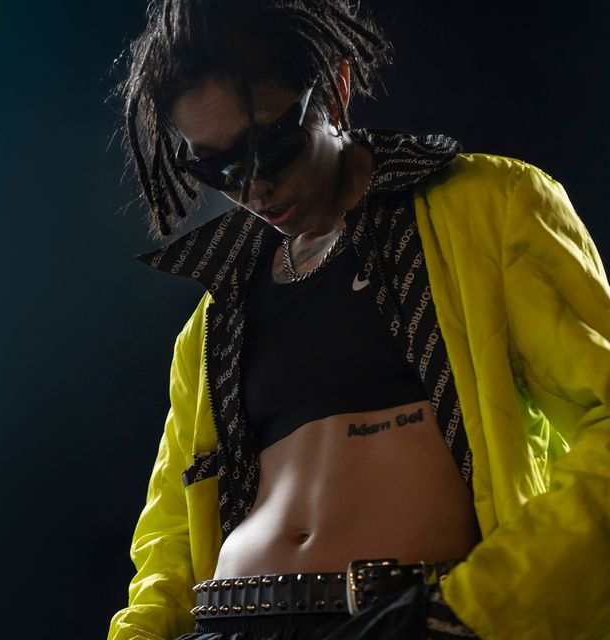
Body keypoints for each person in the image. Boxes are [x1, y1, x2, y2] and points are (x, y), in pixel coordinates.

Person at [107, 1, 610, 639]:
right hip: (225, 623)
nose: (254, 188)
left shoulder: (491, 210)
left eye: (274, 148)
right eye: (217, 168)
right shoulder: (213, 319)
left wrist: (480, 607)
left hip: (408, 619)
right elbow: (170, 537)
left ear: (336, 89)